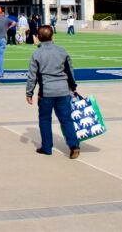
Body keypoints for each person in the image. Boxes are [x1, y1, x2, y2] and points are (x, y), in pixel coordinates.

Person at [25, 25, 80, 159]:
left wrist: (29, 92)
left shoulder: (36, 54)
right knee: (66, 119)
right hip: (62, 90)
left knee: (44, 119)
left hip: (46, 92)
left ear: (38, 38)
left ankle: (47, 147)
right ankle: (74, 146)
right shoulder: (62, 51)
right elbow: (69, 71)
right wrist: (73, 87)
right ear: (52, 36)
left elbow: (32, 76)